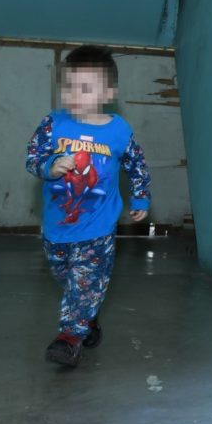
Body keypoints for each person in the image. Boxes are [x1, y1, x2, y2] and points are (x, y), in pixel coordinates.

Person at [25, 46, 151, 368]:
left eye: (84, 88)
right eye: (68, 86)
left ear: (108, 93)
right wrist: (49, 166)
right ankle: (87, 316)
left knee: (85, 280)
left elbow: (136, 165)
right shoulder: (53, 124)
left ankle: (69, 338)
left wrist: (140, 197)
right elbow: (33, 157)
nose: (73, 94)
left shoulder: (118, 131)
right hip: (57, 227)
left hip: (98, 227)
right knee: (67, 278)